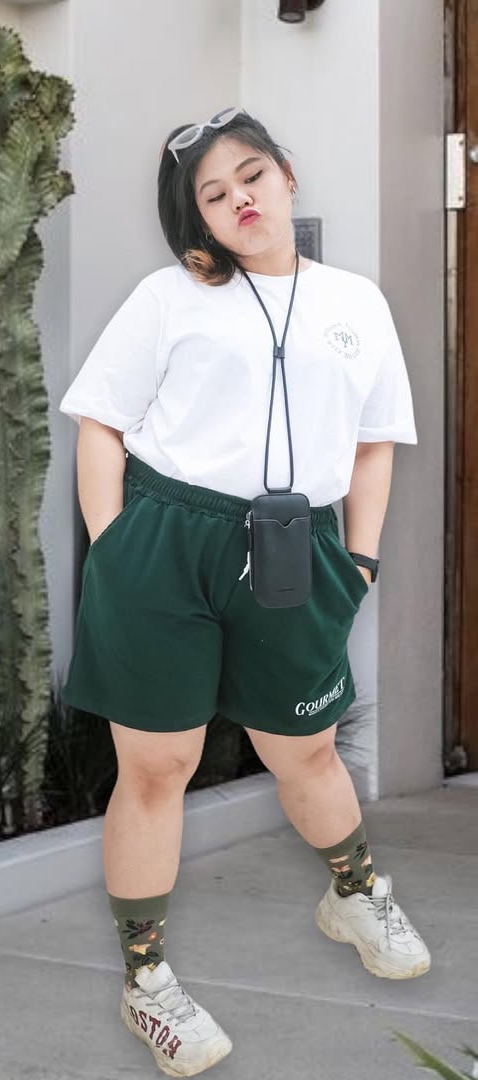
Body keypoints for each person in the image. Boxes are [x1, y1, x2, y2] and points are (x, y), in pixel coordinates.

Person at [59, 107, 429, 1077]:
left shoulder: (356, 303)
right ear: (198, 221)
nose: (240, 201)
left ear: (289, 175)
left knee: (304, 746)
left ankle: (353, 891)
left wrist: (361, 560)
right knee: (158, 766)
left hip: (299, 544)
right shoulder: (167, 298)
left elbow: (373, 440)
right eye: (214, 196)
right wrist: (115, 547)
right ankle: (147, 984)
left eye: (252, 175)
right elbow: (100, 421)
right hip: (167, 540)